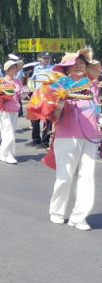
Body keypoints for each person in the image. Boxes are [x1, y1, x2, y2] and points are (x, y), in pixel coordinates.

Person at [47, 49, 102, 230]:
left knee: (87, 177)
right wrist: (60, 102)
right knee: (65, 177)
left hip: (91, 135)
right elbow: (54, 115)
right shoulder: (58, 87)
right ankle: (57, 211)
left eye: (82, 63)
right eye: (75, 63)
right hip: (67, 136)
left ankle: (79, 217)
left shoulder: (92, 86)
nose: (79, 66)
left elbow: (95, 109)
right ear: (66, 69)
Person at [0, 58, 23, 164]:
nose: (14, 70)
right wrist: (1, 93)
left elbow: (21, 96)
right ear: (7, 70)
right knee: (8, 131)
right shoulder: (1, 81)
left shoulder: (18, 82)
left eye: (15, 68)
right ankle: (8, 154)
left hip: (14, 109)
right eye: (12, 68)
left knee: (10, 132)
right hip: (3, 109)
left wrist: (26, 92)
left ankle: (1, 153)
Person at [27, 51, 54, 149]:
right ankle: (36, 139)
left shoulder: (53, 68)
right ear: (39, 58)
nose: (46, 60)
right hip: (37, 96)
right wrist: (30, 89)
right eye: (44, 58)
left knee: (47, 119)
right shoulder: (36, 68)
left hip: (48, 96)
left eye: (48, 58)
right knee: (34, 118)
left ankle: (45, 141)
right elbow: (33, 80)